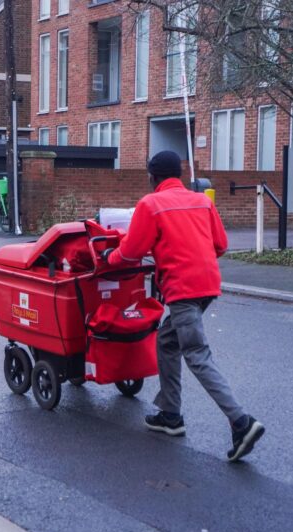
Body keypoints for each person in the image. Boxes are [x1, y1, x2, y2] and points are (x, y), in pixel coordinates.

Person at [105, 150, 264, 462]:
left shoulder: (150, 205)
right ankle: (170, 415)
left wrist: (107, 259)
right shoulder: (202, 201)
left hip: (183, 290)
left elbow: (131, 251)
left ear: (152, 177)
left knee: (196, 354)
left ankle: (241, 423)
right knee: (167, 341)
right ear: (178, 174)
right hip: (207, 285)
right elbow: (220, 245)